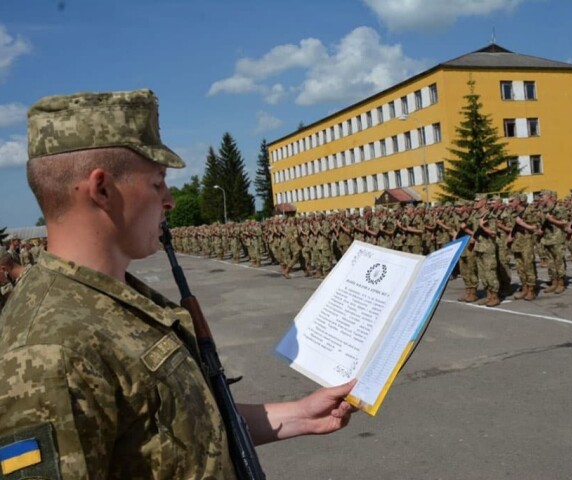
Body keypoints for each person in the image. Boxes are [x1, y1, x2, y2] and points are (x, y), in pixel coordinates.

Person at [0, 89, 356, 478]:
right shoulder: (48, 349)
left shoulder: (113, 298)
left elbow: (185, 432)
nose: (169, 200)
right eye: (157, 183)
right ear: (102, 190)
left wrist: (301, 414)